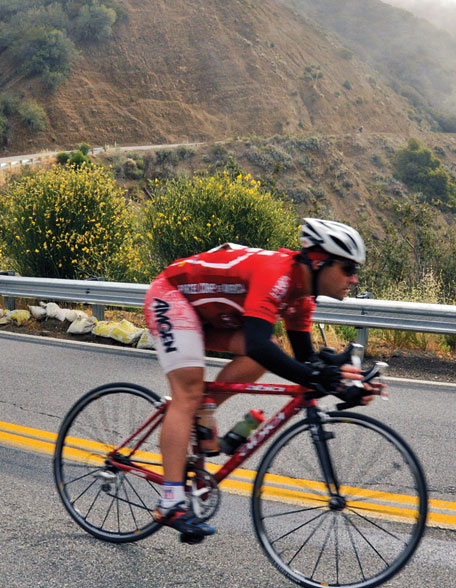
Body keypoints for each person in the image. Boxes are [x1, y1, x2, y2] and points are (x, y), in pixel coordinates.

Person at [142, 218, 380, 541]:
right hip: (171, 297)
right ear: (319, 262)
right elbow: (259, 344)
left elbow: (305, 362)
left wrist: (348, 387)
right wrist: (316, 374)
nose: (354, 279)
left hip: (206, 314)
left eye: (357, 271)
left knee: (269, 352)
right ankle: (170, 502)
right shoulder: (277, 274)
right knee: (188, 393)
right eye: (349, 268)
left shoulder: (302, 298)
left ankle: (203, 410)